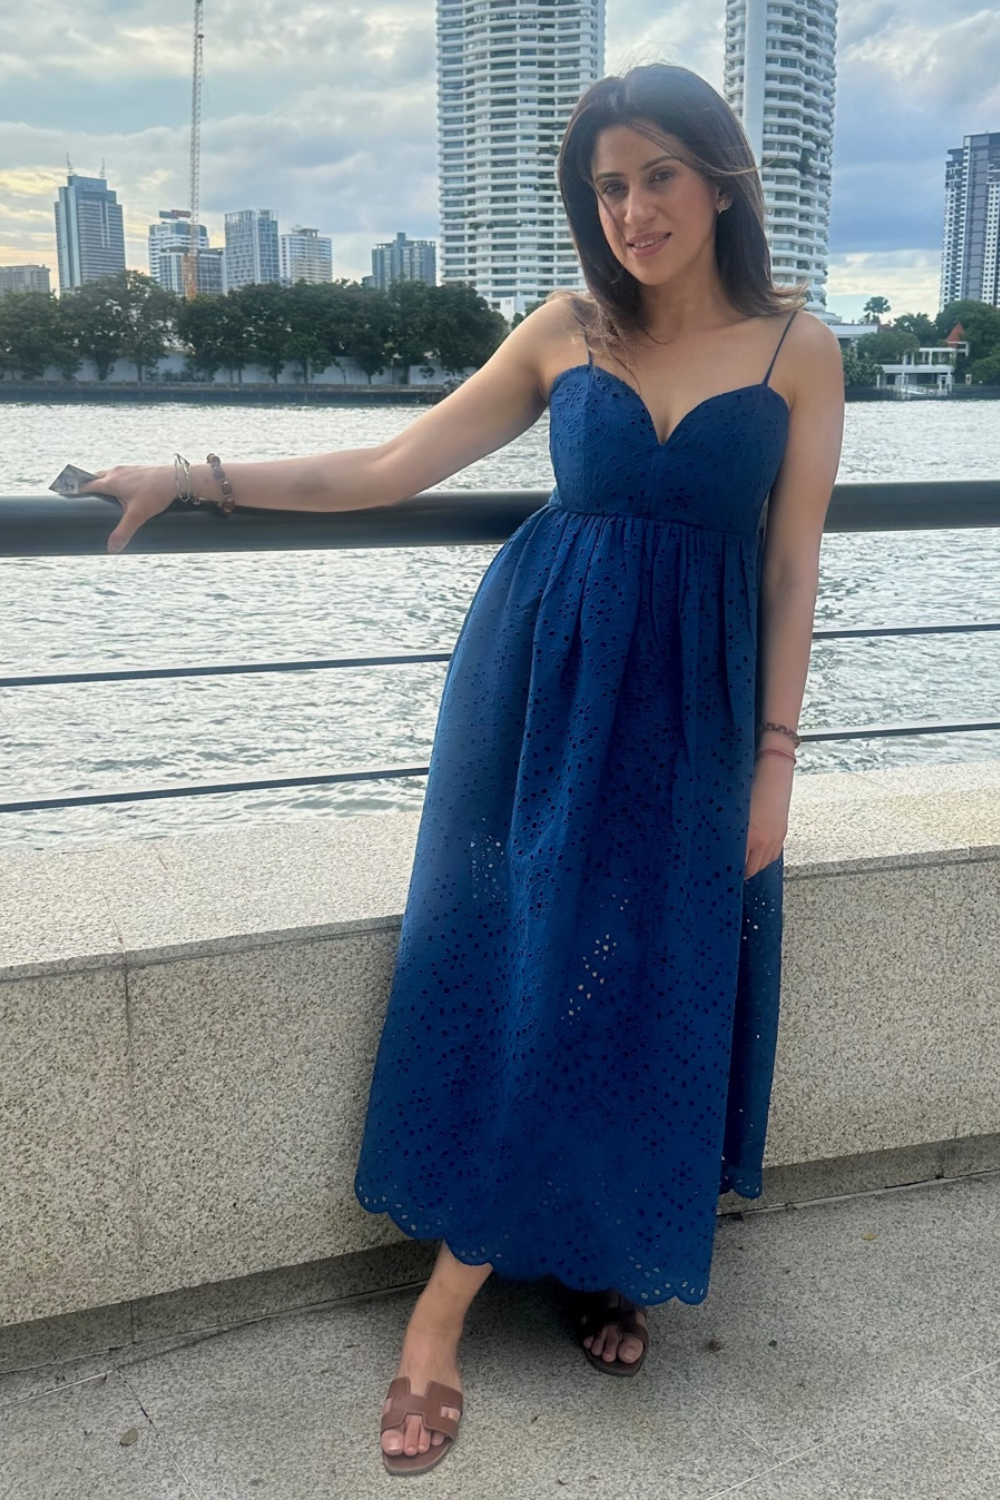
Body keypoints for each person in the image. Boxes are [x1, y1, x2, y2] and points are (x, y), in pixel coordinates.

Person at [82, 62, 844, 1479]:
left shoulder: (801, 349)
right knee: (525, 963)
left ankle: (600, 1249)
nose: (632, 211)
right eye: (607, 187)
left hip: (700, 711)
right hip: (544, 689)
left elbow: (793, 567)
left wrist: (778, 763)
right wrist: (193, 476)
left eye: (658, 176)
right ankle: (441, 1308)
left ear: (721, 179)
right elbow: (393, 464)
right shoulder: (567, 327)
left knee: (650, 974)